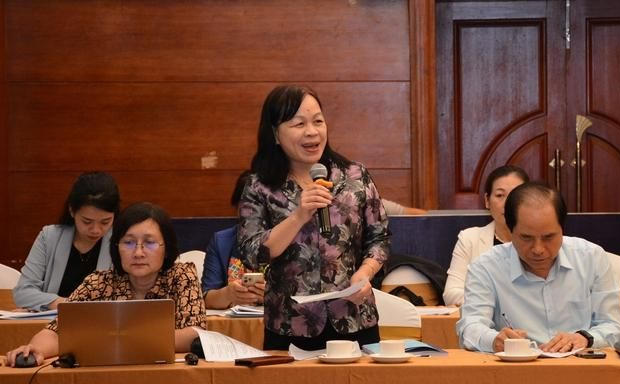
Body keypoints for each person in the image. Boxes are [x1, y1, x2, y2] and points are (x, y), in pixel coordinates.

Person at [238, 84, 390, 350]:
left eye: (318, 121)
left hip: (353, 319)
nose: (312, 131)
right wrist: (298, 216)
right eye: (299, 124)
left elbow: (380, 238)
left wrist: (365, 274)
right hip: (289, 325)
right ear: (275, 134)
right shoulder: (259, 186)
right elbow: (252, 253)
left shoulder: (355, 176)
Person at [6, 202, 207, 366]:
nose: (138, 253)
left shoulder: (182, 275)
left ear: (167, 247)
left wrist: (119, 338)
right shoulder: (98, 283)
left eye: (150, 243)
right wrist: (36, 349)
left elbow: (195, 332)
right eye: (128, 242)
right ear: (116, 247)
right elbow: (57, 330)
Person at [456, 182, 620, 353]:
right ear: (510, 230)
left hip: (580, 363)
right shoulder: (486, 267)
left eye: (548, 237)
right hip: (517, 366)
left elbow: (615, 328)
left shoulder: (591, 258)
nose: (538, 249)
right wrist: (494, 340)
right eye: (526, 238)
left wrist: (585, 338)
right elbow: (470, 327)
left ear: (562, 229)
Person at [13, 172, 120, 311]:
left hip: (101, 322)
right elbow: (23, 293)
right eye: (87, 221)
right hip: (51, 320)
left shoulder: (120, 241)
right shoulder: (49, 237)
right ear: (72, 211)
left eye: (105, 222)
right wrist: (68, 304)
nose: (96, 230)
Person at [443, 165, 529, 306]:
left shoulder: (542, 240)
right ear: (487, 201)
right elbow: (451, 294)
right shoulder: (469, 239)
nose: (508, 203)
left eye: (515, 195)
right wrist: (496, 305)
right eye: (500, 195)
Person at [201, 170, 265, 309]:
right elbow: (206, 299)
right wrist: (228, 294)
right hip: (234, 320)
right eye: (247, 206)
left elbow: (304, 296)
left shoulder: (291, 239)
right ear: (237, 207)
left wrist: (273, 296)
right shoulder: (221, 241)